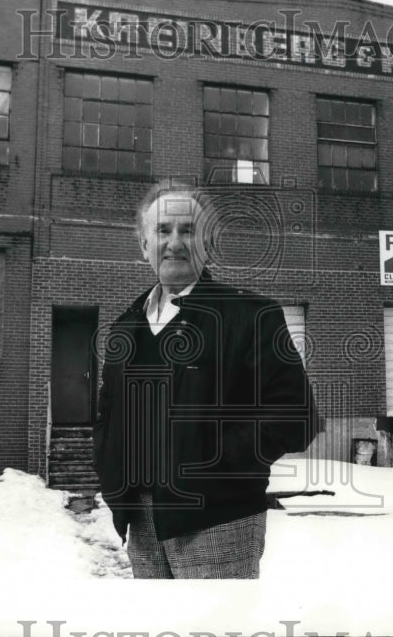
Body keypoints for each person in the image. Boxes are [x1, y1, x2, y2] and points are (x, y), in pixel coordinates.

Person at [92, 179, 318, 578]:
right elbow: (108, 417)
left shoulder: (250, 315)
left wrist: (210, 463)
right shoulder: (123, 328)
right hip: (141, 522)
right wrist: (111, 474)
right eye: (162, 231)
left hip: (219, 522)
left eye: (187, 230)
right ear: (145, 245)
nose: (174, 243)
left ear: (207, 244)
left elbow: (297, 415)